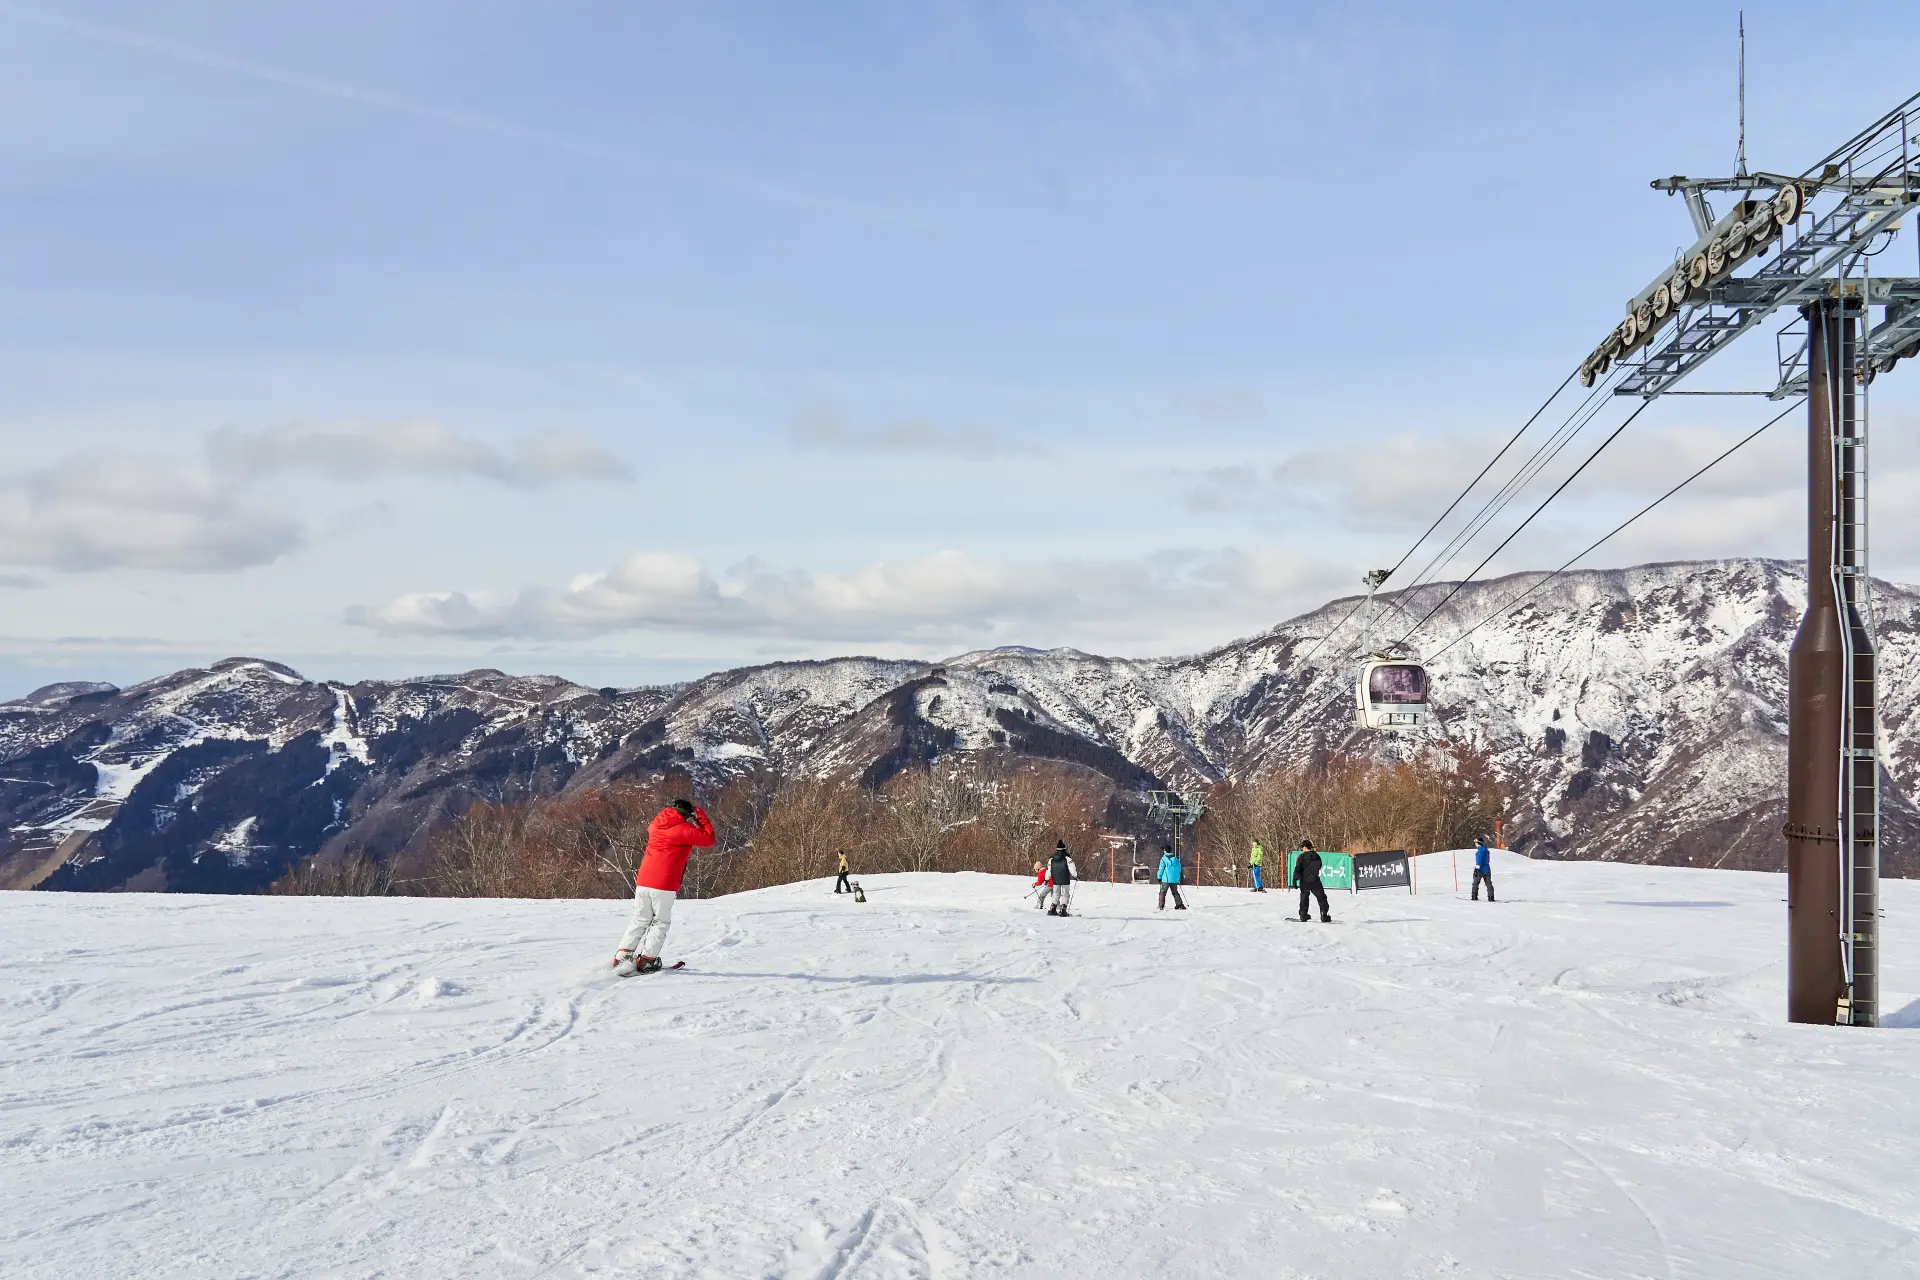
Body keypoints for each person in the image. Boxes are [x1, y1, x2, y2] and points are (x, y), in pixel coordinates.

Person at [611, 797, 715, 974]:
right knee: (660, 921)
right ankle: (647, 961)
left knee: (640, 918)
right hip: (664, 883)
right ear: (685, 814)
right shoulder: (682, 829)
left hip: (644, 880)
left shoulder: (656, 825)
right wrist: (701, 817)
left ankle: (622, 956)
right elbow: (708, 839)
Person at [1294, 838, 1331, 923]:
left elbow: (1297, 869)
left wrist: (1295, 879)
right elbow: (1319, 866)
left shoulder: (1301, 856)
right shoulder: (1317, 856)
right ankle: (1324, 914)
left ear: (1305, 847)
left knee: (1304, 898)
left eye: (1302, 847)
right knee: (1321, 898)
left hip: (1304, 881)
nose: (1301, 848)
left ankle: (1303, 914)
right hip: (1315, 881)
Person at [1047, 841, 1078, 916]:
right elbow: (1072, 869)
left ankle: (1052, 908)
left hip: (1055, 880)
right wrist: (1075, 876)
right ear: (1064, 849)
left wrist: (1046, 878)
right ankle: (1063, 909)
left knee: (1055, 894)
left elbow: (1049, 870)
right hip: (1065, 880)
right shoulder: (1067, 859)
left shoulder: (1051, 859)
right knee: (1065, 894)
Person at [1155, 844, 1187, 910]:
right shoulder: (1176, 859)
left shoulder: (1164, 859)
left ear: (1165, 851)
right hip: (1174, 880)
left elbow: (1161, 869)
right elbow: (1179, 868)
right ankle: (1180, 905)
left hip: (1166, 879)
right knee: (1175, 892)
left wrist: (1159, 877)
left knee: (1162, 892)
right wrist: (1178, 878)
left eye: (1164, 850)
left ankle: (1161, 905)